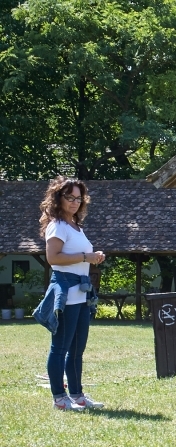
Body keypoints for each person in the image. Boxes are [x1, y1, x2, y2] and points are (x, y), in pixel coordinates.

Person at [34, 176, 106, 411]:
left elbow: (78, 256)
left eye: (79, 198)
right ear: (59, 198)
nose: (75, 202)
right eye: (70, 197)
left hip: (82, 292)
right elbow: (53, 258)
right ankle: (59, 398)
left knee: (77, 349)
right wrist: (86, 257)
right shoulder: (58, 225)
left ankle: (78, 395)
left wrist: (94, 256)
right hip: (65, 292)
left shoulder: (75, 225)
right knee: (60, 348)